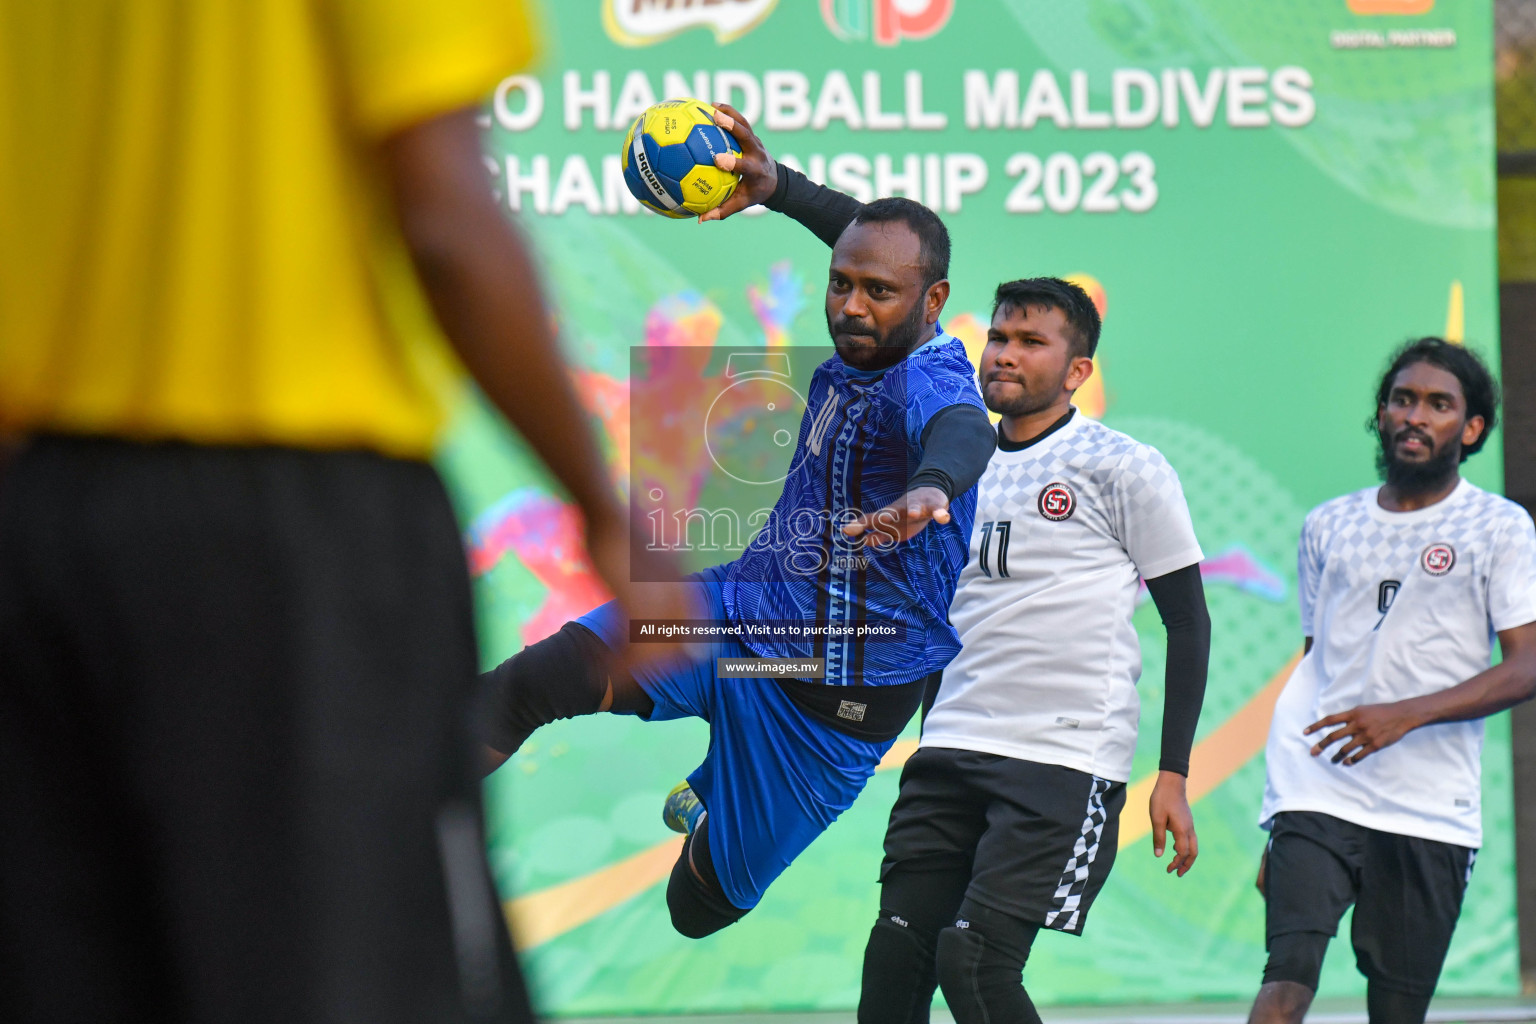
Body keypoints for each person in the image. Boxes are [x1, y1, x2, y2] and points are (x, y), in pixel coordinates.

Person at [0, 3, 681, 1022]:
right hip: (288, 535)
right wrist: (604, 511)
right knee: (364, 980)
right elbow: (444, 213)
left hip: (41, 518)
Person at [478, 124, 998, 937]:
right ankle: (382, 859)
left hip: (829, 706)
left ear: (932, 302)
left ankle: (717, 793)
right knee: (524, 689)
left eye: (879, 293)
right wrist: (781, 187)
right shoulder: (879, 301)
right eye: (840, 284)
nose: (851, 307)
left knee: (697, 911)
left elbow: (966, 430)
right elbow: (872, 247)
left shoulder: (929, 378)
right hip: (734, 619)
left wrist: (929, 488)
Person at [848, 278, 1210, 1024]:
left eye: (1030, 342)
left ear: (1077, 370)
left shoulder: (1123, 467)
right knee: (894, 959)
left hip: (1061, 760)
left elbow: (1189, 622)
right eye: (1000, 338)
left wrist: (1173, 773)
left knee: (974, 963)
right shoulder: (948, 466)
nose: (1005, 354)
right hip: (949, 747)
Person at [1248, 338, 1536, 1024]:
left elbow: (1526, 665)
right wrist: (1281, 819)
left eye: (1439, 405)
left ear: (1470, 430)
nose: (1416, 415)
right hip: (1319, 789)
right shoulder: (1329, 525)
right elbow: (1320, 664)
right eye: (1403, 399)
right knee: (1281, 992)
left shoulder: (1499, 527)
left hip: (1427, 806)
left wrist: (1404, 714)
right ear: (1381, 414)